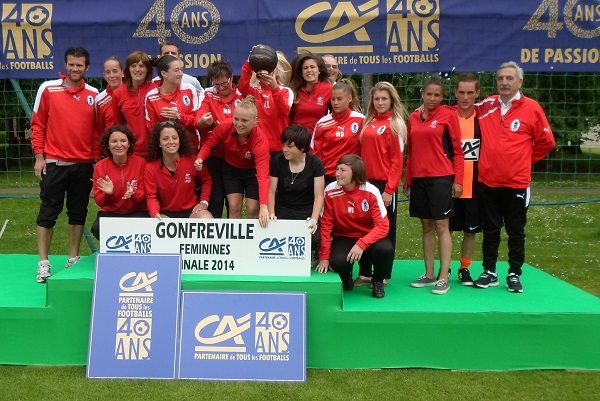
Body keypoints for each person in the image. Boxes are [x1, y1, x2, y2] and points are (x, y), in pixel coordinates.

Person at [473, 62, 555, 293]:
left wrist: (523, 160)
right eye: (500, 78)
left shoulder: (532, 108)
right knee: (490, 229)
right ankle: (489, 271)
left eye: (509, 78)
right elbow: (462, 109)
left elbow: (547, 143)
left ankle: (514, 273)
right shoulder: (487, 105)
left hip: (516, 183)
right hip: (488, 181)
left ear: (520, 82)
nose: (504, 82)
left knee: (515, 231)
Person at [31, 46, 99, 283]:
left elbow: (95, 132)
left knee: (78, 212)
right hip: (54, 163)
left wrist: (95, 161)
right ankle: (43, 262)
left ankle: (73, 258)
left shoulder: (94, 94)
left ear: (86, 68)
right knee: (49, 211)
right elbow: (38, 125)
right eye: (71, 64)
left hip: (83, 165)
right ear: (65, 65)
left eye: (79, 65)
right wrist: (39, 157)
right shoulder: (48, 89)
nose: (75, 68)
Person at [404, 77, 464, 295]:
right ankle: (429, 274)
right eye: (429, 94)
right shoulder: (412, 117)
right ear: (423, 94)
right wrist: (408, 179)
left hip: (442, 178)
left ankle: (443, 275)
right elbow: (410, 152)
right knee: (426, 226)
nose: (432, 98)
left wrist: (458, 181)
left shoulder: (449, 115)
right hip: (419, 179)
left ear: (442, 96)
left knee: (442, 226)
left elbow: (458, 151)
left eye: (437, 95)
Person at [316, 155, 394, 299]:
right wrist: (324, 257)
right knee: (337, 261)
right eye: (337, 169)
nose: (337, 173)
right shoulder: (330, 190)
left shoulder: (371, 191)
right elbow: (326, 226)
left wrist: (362, 243)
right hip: (345, 236)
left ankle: (377, 280)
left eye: (343, 170)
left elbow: (383, 226)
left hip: (369, 237)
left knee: (386, 249)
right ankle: (347, 279)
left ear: (355, 173)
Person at [355, 81, 407, 287]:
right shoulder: (369, 122)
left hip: (384, 185)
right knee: (364, 227)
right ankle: (365, 272)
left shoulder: (396, 124)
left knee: (385, 229)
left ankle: (383, 273)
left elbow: (397, 161)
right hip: (365, 183)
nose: (380, 102)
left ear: (392, 100)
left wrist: (390, 190)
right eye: (376, 99)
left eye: (384, 98)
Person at [194, 96, 270, 225]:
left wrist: (264, 206)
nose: (239, 124)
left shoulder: (260, 141)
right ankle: (235, 243)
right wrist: (200, 158)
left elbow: (263, 176)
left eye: (244, 120)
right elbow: (209, 144)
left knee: (252, 209)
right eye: (236, 119)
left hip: (252, 172)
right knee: (234, 207)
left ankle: (252, 242)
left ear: (254, 121)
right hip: (231, 169)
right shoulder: (225, 127)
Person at [267, 124, 325, 263]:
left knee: (314, 238)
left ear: (302, 147)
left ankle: (311, 253)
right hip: (283, 209)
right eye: (283, 145)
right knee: (273, 236)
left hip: (306, 211)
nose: (284, 149)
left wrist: (314, 219)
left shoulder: (315, 163)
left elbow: (319, 196)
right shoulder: (278, 161)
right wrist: (271, 214)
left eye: (290, 146)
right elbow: (271, 191)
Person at [195, 60, 243, 218]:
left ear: (231, 77)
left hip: (235, 156)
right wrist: (202, 122)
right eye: (217, 84)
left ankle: (234, 240)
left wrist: (224, 128)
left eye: (224, 83)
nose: (221, 88)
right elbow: (198, 121)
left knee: (233, 203)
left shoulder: (242, 95)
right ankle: (214, 241)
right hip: (213, 155)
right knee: (215, 200)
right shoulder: (208, 94)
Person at [449, 73, 482, 286]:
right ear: (455, 93)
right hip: (449, 184)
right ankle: (445, 268)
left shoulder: (484, 118)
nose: (465, 97)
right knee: (446, 229)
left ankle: (464, 268)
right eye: (461, 92)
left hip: (475, 185)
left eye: (470, 92)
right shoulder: (446, 116)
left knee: (471, 231)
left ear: (477, 93)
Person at [145, 121, 212, 219]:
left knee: (206, 219)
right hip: (165, 212)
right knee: (160, 223)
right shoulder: (151, 167)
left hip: (191, 211)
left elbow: (206, 180)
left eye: (175, 138)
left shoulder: (192, 160)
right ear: (159, 143)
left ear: (180, 141)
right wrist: (155, 213)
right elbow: (151, 196)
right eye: (165, 139)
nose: (171, 141)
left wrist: (204, 201)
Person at [91, 125, 147, 239]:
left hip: (136, 211)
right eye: (114, 141)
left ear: (129, 143)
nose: (119, 145)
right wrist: (108, 194)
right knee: (97, 228)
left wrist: (133, 193)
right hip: (111, 212)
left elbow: (144, 194)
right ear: (107, 144)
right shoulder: (100, 166)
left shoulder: (141, 163)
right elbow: (99, 201)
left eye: (123, 141)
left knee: (144, 226)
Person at [238, 47, 293, 156]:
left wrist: (274, 88)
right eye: (262, 69)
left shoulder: (286, 91)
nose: (266, 72)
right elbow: (242, 86)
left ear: (277, 71)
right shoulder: (254, 90)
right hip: (258, 146)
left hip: (279, 148)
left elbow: (284, 111)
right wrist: (250, 60)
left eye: (271, 69)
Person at [311, 79, 364, 184]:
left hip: (353, 178)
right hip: (327, 177)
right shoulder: (322, 123)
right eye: (333, 99)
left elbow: (366, 150)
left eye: (339, 99)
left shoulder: (361, 120)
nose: (335, 103)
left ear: (349, 98)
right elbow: (315, 153)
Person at [145, 55, 200, 149]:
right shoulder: (151, 96)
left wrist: (179, 117)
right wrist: (166, 126)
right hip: (165, 150)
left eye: (181, 70)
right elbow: (151, 128)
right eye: (176, 70)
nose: (181, 73)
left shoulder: (189, 90)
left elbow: (197, 120)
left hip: (191, 147)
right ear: (164, 73)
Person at [112, 51, 155, 156]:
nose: (137, 70)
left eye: (141, 66)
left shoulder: (156, 89)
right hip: (131, 151)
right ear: (128, 69)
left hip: (155, 150)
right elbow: (118, 124)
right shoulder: (118, 93)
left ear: (148, 69)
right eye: (133, 66)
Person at [289, 52, 332, 133]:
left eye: (312, 67)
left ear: (319, 70)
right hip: (296, 140)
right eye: (305, 68)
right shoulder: (292, 90)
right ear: (301, 72)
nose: (309, 70)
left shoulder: (329, 90)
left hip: (318, 138)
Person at [95, 56, 123, 134]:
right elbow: (100, 128)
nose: (112, 75)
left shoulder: (132, 93)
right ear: (104, 75)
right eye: (108, 72)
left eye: (115, 71)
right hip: (110, 144)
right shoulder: (100, 100)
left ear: (122, 72)